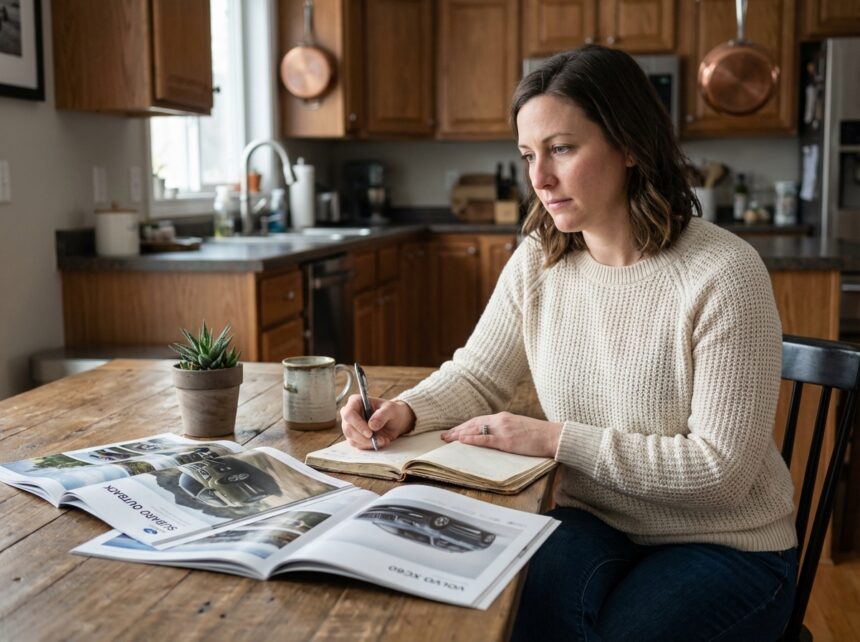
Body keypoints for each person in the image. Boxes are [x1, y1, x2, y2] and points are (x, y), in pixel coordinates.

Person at [339, 45, 797, 641]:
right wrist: (406, 409)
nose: (538, 178)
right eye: (529, 154)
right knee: (509, 601)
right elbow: (479, 373)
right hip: (597, 518)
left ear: (631, 145)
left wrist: (555, 439)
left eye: (561, 149)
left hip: (727, 542)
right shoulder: (540, 259)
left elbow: (722, 471)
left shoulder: (724, 273)